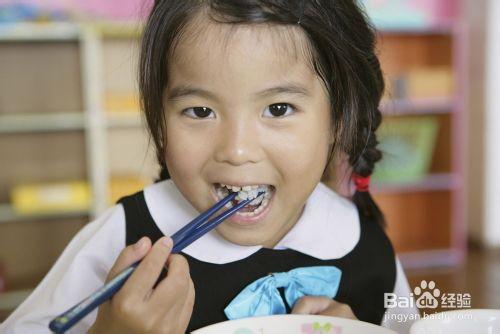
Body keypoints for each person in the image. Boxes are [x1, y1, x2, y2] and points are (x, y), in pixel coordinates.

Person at [1, 0, 420, 333]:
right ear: (159, 119)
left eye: (278, 108)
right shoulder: (122, 238)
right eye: (200, 111)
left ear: (339, 121)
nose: (236, 150)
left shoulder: (365, 245)